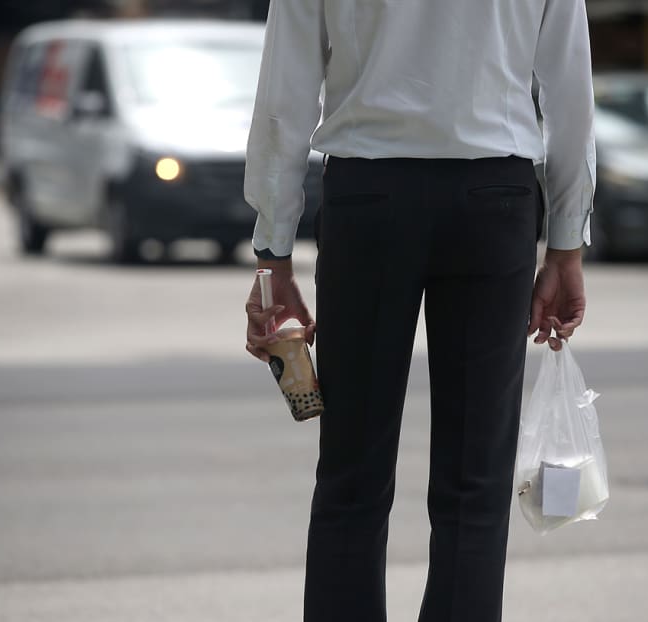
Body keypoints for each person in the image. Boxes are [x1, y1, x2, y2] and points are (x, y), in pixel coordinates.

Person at [244, 1, 595, 620]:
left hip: (370, 200)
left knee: (351, 474)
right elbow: (569, 88)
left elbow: (285, 92)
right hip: (495, 199)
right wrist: (566, 241)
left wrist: (274, 255)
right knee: (476, 482)